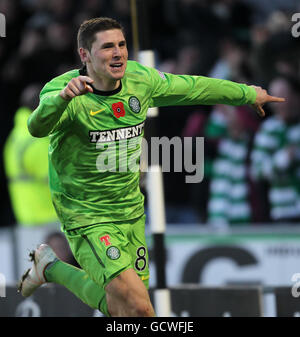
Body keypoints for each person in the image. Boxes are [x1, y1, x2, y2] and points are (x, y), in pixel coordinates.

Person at [18, 17, 285, 317]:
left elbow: (194, 87)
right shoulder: (64, 92)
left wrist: (247, 93)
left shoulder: (139, 81)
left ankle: (50, 267)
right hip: (88, 215)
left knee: (127, 311)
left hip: (130, 209)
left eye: (121, 45)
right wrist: (64, 98)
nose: (118, 53)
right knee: (141, 309)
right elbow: (36, 126)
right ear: (85, 55)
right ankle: (51, 268)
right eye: (107, 47)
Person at [250, 75, 300, 223]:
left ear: (296, 97)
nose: (278, 103)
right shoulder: (268, 130)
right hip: (284, 211)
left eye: (284, 96)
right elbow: (256, 171)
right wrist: (281, 160)